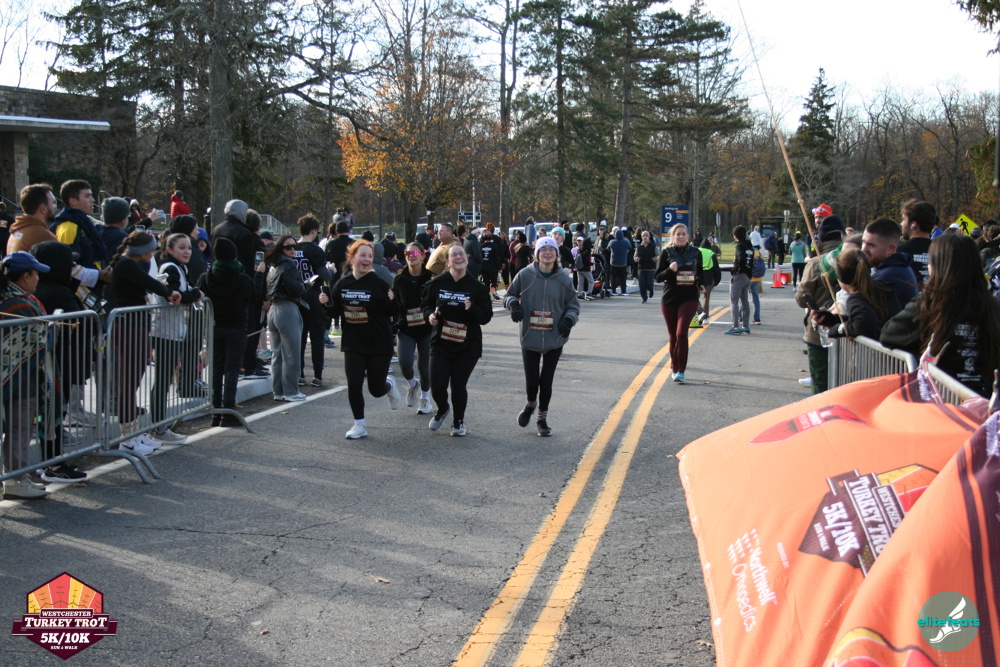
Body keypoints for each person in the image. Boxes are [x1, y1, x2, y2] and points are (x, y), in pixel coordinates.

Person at [881, 234, 1000, 398]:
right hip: (982, 401)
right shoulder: (992, 306)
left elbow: (888, 334)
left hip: (939, 400)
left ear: (938, 266)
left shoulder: (929, 303)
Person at [109, 232, 182, 455]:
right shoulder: (125, 264)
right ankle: (127, 437)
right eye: (150, 250)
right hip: (128, 325)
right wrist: (169, 291)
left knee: (134, 380)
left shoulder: (130, 264)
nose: (153, 254)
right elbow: (150, 283)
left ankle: (134, 432)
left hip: (136, 324)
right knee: (129, 382)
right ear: (141, 250)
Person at [504, 237, 580, 435]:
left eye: (551, 250)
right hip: (530, 336)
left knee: (546, 381)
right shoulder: (525, 275)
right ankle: (530, 404)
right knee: (532, 381)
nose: (547, 253)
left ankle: (542, 419)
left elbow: (573, 306)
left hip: (555, 337)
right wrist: (514, 305)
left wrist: (568, 320)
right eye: (543, 250)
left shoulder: (564, 279)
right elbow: (509, 295)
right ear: (536, 254)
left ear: (557, 254)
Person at [30, 241, 92, 482]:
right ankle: (54, 466)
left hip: (52, 365)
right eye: (69, 263)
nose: (72, 267)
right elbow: (82, 324)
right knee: (52, 415)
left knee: (49, 415)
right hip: (57, 365)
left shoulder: (40, 289)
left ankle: (50, 463)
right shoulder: (57, 293)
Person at [330, 240, 400, 439]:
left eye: (370, 256)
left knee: (376, 389)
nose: (367, 259)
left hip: (379, 342)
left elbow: (392, 312)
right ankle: (359, 424)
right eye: (363, 255)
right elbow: (334, 312)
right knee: (354, 383)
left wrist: (393, 299)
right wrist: (324, 303)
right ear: (352, 258)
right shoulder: (342, 284)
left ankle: (389, 385)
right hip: (353, 343)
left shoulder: (379, 283)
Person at [0, 252, 56, 498]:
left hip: (19, 376)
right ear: (25, 276)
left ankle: (17, 477)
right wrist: (52, 329)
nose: (38, 279)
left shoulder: (14, 298)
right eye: (35, 274)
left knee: (20, 427)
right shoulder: (17, 304)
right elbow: (37, 341)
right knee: (19, 427)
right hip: (20, 378)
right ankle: (15, 479)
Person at [422, 245, 493, 436]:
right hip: (441, 342)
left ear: (467, 259)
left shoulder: (477, 287)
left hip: (467, 344)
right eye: (454, 255)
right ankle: (443, 408)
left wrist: (472, 309)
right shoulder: (437, 283)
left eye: (462, 254)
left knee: (458, 385)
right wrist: (430, 316)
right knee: (437, 385)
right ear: (448, 262)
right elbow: (426, 305)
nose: (459, 257)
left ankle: (458, 422)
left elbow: (486, 316)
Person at [148, 233, 204, 443]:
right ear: (169, 250)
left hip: (175, 329)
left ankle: (159, 425)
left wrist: (193, 293)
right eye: (182, 247)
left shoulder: (181, 268)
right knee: (163, 380)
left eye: (189, 247)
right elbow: (175, 296)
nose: (187, 251)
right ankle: (158, 428)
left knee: (165, 380)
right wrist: (195, 294)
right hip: (165, 331)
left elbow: (185, 292)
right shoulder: (169, 268)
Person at [198, 238, 254, 427]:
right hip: (236, 326)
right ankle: (228, 411)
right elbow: (253, 298)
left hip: (214, 327)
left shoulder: (206, 278)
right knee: (232, 369)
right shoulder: (243, 278)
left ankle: (216, 410)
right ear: (234, 256)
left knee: (216, 369)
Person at [794, 215, 845, 392]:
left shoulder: (817, 263)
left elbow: (801, 299)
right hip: (848, 331)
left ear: (821, 239)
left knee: (821, 384)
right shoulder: (854, 258)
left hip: (819, 331)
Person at [812, 248, 899, 340]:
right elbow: (865, 318)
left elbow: (863, 325)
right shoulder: (882, 288)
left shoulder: (856, 299)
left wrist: (838, 329)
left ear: (840, 279)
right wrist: (833, 319)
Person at [655, 224, 704, 382]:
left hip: (689, 297)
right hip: (670, 297)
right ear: (673, 237)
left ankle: (680, 370)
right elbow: (658, 277)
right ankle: (674, 364)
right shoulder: (666, 252)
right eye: (678, 234)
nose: (681, 237)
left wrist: (701, 284)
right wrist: (670, 270)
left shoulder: (696, 253)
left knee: (681, 333)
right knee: (673, 336)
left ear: (688, 237)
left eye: (683, 234)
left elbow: (700, 273)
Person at [265, 234, 309, 402]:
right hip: (287, 309)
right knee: (292, 353)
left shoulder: (273, 265)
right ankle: (291, 391)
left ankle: (278, 391)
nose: (292, 250)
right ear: (281, 248)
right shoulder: (289, 265)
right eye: (288, 247)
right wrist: (306, 285)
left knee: (277, 354)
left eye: (294, 246)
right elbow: (294, 289)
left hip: (274, 309)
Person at [394, 242, 435, 415]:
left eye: (415, 253)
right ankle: (413, 385)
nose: (411, 256)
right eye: (407, 253)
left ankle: (425, 398)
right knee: (404, 364)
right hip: (406, 328)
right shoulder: (399, 279)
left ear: (423, 256)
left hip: (426, 328)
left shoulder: (431, 278)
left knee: (424, 366)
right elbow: (395, 305)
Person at [295, 214, 334, 386]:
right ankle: (318, 375)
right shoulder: (315, 250)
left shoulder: (292, 247)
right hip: (314, 295)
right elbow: (324, 275)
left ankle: (300, 373)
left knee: (300, 337)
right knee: (317, 337)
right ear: (313, 231)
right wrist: (331, 270)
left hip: (297, 295)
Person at [861, 217, 919, 307]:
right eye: (863, 242)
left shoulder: (885, 279)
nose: (863, 249)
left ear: (890, 249)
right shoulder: (900, 267)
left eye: (871, 245)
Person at [8, 183, 58, 255]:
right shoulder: (44, 236)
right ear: (43, 209)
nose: (55, 207)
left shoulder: (18, 228)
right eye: (54, 203)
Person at [723, 225, 754, 335]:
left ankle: (735, 326)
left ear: (735, 236)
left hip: (739, 275)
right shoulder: (749, 246)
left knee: (734, 301)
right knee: (744, 301)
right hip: (748, 275)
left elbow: (741, 259)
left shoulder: (739, 246)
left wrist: (736, 270)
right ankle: (745, 326)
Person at [897, 199, 935, 285]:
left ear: (913, 225)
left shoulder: (899, 252)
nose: (901, 223)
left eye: (903, 219)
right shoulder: (942, 251)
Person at [694, 238, 721, 325]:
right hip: (708, 277)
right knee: (706, 298)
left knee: (695, 297)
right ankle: (705, 317)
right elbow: (716, 269)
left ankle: (697, 315)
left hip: (697, 276)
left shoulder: (696, 251)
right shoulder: (711, 253)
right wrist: (717, 280)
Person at [479, 223, 505, 300]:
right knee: (494, 280)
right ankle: (493, 290)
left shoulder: (481, 246)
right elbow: (497, 256)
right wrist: (499, 266)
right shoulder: (495, 245)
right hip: (492, 266)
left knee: (486, 281)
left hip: (484, 266)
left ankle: (487, 295)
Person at [634, 230, 658, 303]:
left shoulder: (653, 246)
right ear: (642, 237)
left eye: (646, 236)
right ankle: (644, 298)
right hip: (641, 268)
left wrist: (653, 259)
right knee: (642, 285)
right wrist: (638, 259)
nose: (645, 237)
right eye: (643, 236)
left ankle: (651, 290)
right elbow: (635, 256)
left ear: (649, 237)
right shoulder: (639, 247)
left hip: (651, 269)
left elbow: (658, 255)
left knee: (649, 283)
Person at [608, 228, 632, 295]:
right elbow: (630, 247)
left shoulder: (612, 242)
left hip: (613, 262)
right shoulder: (625, 242)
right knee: (622, 277)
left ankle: (613, 291)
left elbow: (608, 248)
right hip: (623, 262)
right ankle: (623, 291)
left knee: (613, 277)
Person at [573, 236, 594, 300]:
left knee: (580, 282)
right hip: (586, 269)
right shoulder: (587, 251)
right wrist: (591, 263)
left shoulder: (579, 250)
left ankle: (579, 294)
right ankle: (589, 293)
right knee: (591, 281)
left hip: (579, 269)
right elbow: (586, 261)